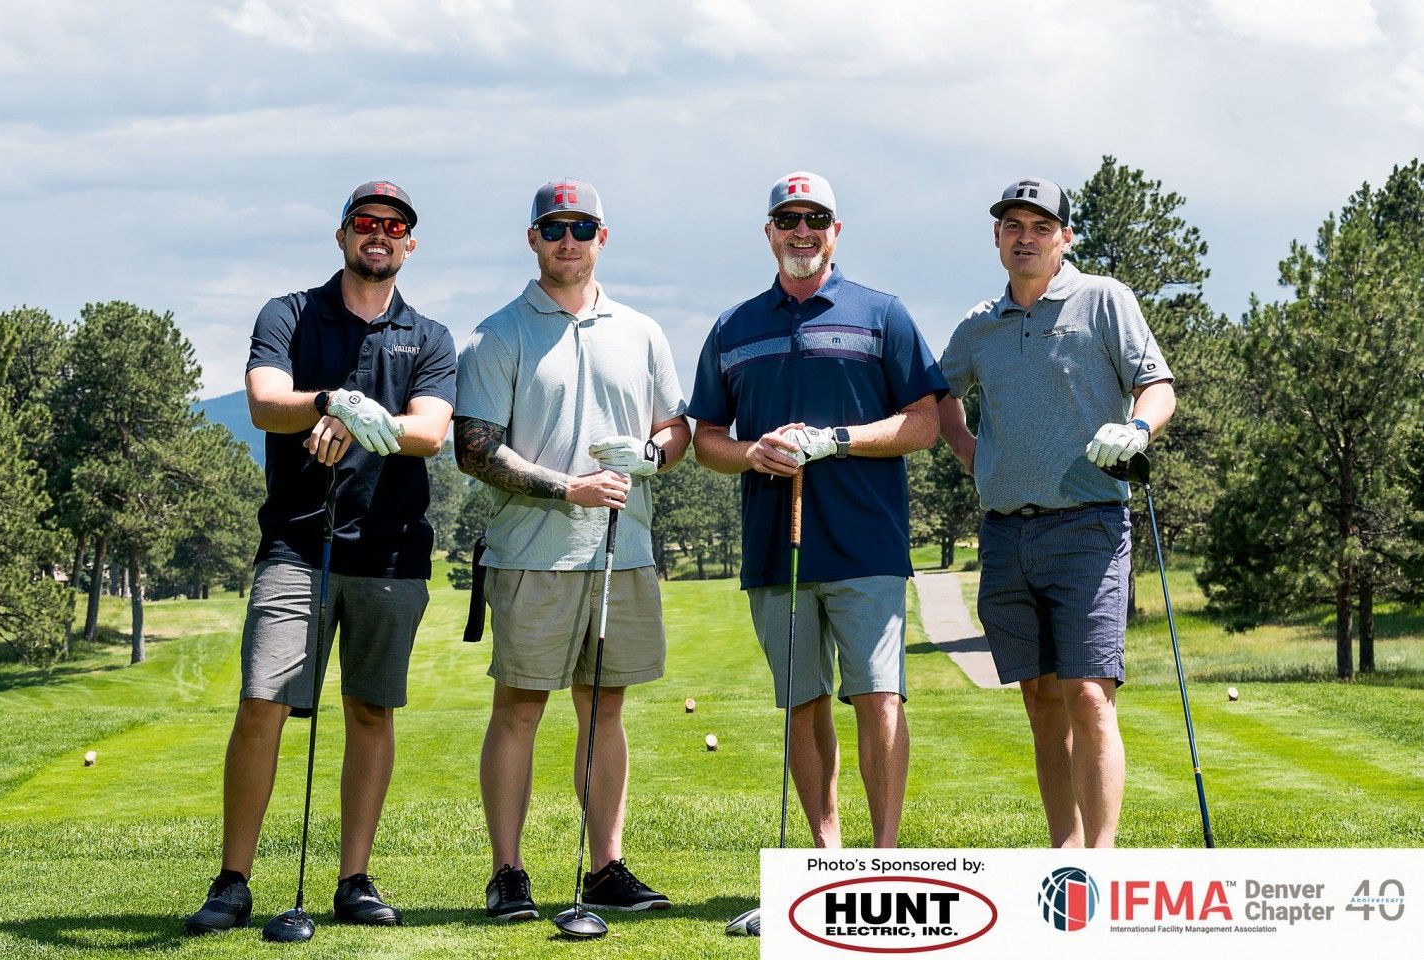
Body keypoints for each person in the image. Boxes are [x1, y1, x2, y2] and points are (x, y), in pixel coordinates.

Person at [185, 181, 457, 934]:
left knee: (371, 711)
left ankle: (355, 881)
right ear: (342, 236)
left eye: (394, 226)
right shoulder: (290, 314)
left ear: (409, 245)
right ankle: (232, 880)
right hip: (299, 546)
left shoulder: (428, 337)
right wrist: (332, 401)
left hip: (392, 551)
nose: (380, 234)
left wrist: (368, 421)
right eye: (366, 223)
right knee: (263, 702)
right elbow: (266, 402)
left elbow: (430, 431)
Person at [453, 178, 690, 920]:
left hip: (624, 551)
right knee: (519, 708)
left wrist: (653, 451)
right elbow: (473, 449)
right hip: (532, 553)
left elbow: (676, 428)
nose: (567, 240)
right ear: (532, 238)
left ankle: (605, 867)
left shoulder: (641, 330)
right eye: (553, 228)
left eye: (581, 227)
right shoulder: (498, 334)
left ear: (601, 238)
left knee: (605, 710)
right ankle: (508, 873)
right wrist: (567, 488)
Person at [689, 171, 945, 848]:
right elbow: (705, 440)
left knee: (879, 698)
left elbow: (922, 423)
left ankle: (884, 855)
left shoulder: (881, 312)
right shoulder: (732, 326)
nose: (802, 231)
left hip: (868, 544)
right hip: (779, 544)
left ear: (835, 231)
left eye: (816, 219)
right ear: (769, 232)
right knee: (801, 704)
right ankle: (826, 856)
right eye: (788, 220)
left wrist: (835, 442)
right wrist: (750, 454)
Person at [936, 176, 1176, 848]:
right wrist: (971, 453)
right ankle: (1063, 856)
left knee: (1090, 697)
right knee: (1040, 701)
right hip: (1007, 534)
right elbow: (937, 396)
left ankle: (1099, 864)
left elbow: (1155, 384)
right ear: (996, 237)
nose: (1025, 238)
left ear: (1064, 238)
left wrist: (1137, 428)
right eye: (1013, 226)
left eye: (1040, 227)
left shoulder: (1103, 299)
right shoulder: (977, 326)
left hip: (1088, 527)